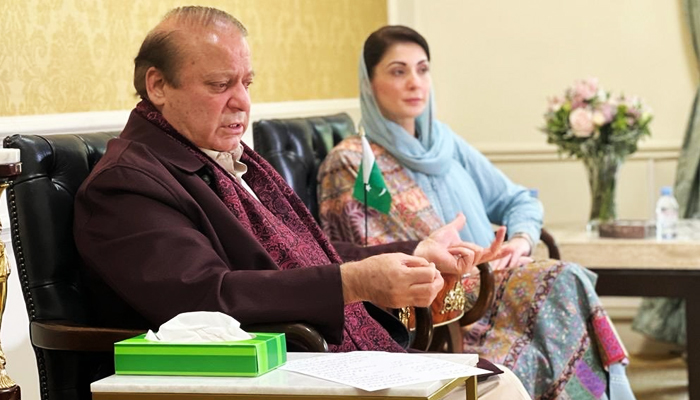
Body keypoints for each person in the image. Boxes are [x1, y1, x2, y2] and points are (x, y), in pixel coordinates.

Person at [73, 6, 532, 399]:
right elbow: (206, 300)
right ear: (157, 85)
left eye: (247, 83)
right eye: (219, 85)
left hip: (316, 361)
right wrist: (352, 284)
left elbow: (304, 253)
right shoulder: (127, 184)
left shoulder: (217, 156)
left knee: (501, 380)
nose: (242, 103)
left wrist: (410, 253)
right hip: (271, 376)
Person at [318, 25, 637, 400]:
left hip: (496, 277)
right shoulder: (353, 161)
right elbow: (373, 262)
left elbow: (519, 199)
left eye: (422, 69)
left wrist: (521, 239)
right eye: (398, 71)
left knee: (565, 282)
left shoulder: (445, 142)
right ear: (369, 83)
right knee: (566, 277)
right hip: (449, 305)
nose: (414, 83)